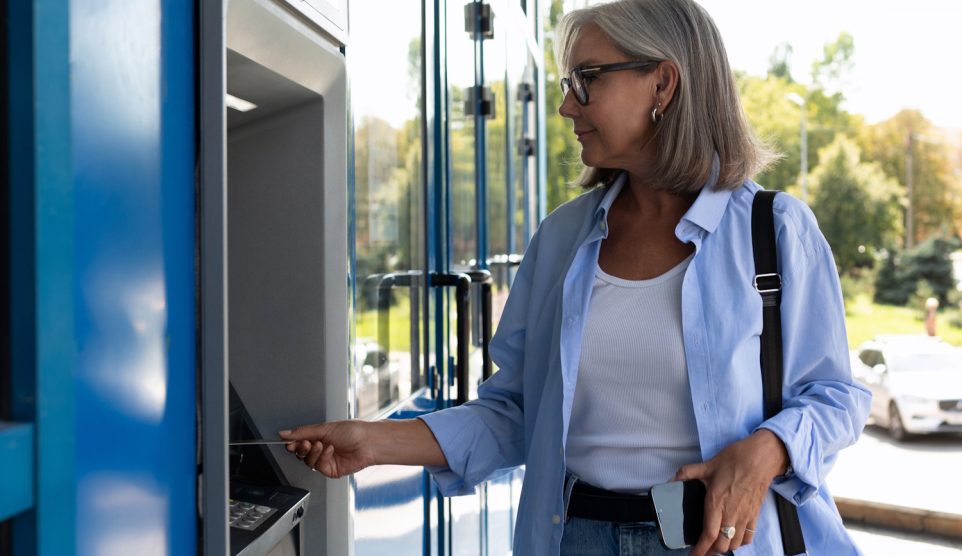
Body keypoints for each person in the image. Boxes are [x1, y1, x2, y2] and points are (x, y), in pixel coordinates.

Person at [279, 0, 872, 554]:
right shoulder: (561, 239)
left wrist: (769, 450)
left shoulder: (774, 230)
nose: (567, 106)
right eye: (567, 84)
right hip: (574, 537)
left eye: (588, 80)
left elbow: (837, 396)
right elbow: (516, 413)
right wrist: (374, 442)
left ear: (662, 83)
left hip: (722, 541)